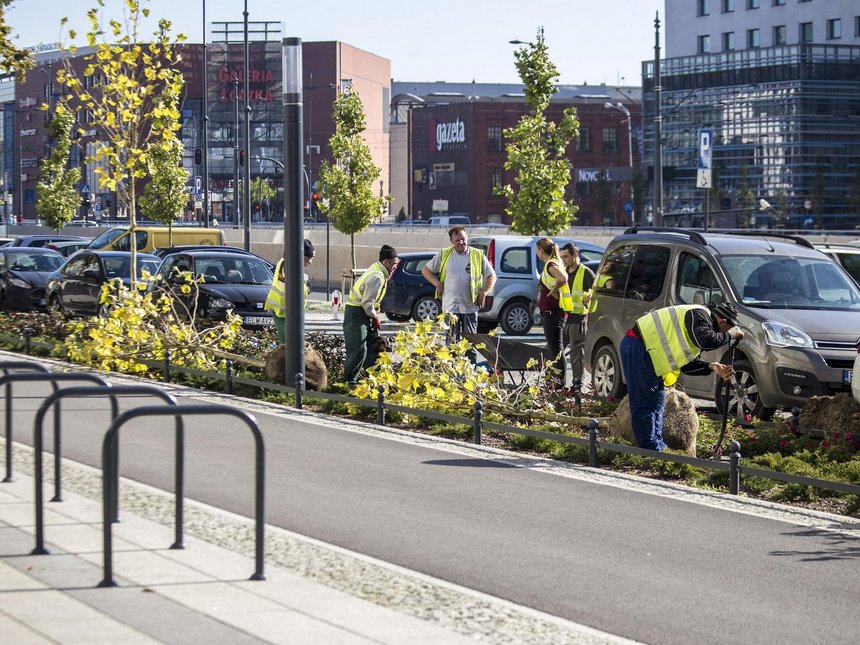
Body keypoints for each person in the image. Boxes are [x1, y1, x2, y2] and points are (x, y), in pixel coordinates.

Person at [620, 302, 744, 451]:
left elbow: (687, 365)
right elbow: (706, 340)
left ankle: (658, 447)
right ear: (722, 321)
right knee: (644, 403)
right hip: (638, 346)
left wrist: (711, 366)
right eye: (726, 330)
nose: (724, 335)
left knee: (657, 402)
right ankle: (650, 450)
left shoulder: (701, 327)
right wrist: (730, 335)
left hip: (647, 353)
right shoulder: (699, 314)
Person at [421, 225, 496, 362]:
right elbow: (426, 270)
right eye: (457, 241)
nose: (461, 243)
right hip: (450, 308)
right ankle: (452, 372)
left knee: (470, 343)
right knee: (451, 343)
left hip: (470, 307)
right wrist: (437, 283)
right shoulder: (445, 254)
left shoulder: (477, 255)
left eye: (463, 239)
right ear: (452, 241)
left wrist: (484, 292)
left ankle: (470, 371)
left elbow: (492, 276)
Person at [343, 245, 399, 385]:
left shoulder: (378, 271)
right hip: (356, 314)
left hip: (361, 313)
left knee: (372, 346)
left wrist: (374, 312)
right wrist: (374, 316)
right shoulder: (377, 276)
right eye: (394, 263)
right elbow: (367, 302)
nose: (395, 267)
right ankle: (349, 381)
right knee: (359, 348)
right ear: (386, 262)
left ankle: (372, 378)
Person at [559, 243, 596, 392]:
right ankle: (559, 383)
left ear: (575, 255)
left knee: (576, 357)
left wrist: (589, 298)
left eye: (566, 256)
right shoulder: (563, 272)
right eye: (562, 257)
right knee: (555, 353)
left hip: (578, 320)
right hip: (563, 320)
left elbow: (596, 291)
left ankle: (577, 387)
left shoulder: (585, 272)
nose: (564, 260)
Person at [265, 239, 315, 344]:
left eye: (312, 259)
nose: (310, 262)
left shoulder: (288, 263)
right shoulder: (288, 264)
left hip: (289, 311)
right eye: (308, 259)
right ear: (300, 255)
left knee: (291, 343)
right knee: (289, 344)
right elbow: (294, 282)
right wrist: (305, 281)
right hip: (283, 311)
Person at [535, 238, 572, 382]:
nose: (536, 253)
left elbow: (562, 278)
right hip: (553, 311)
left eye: (537, 250)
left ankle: (560, 385)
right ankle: (555, 383)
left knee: (557, 350)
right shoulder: (553, 263)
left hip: (553, 313)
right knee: (554, 349)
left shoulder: (551, 264)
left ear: (541, 250)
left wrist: (554, 290)